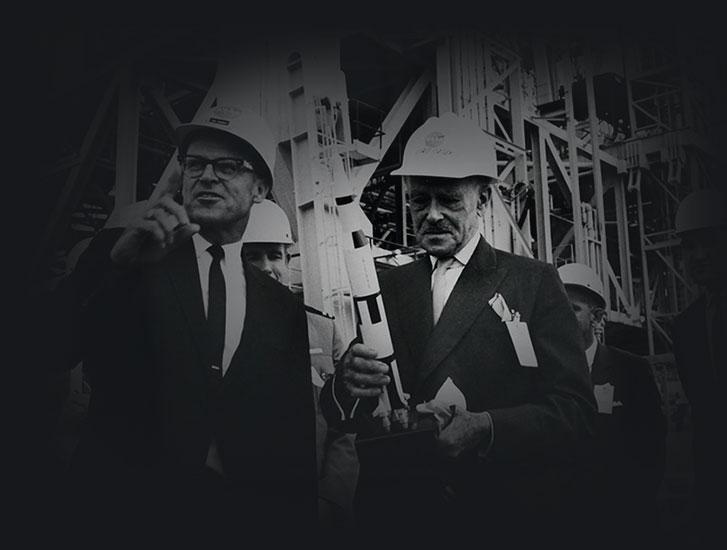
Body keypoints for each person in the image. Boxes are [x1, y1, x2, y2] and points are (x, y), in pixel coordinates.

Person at [45, 103, 317, 535]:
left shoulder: (280, 307)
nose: (207, 176)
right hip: (120, 516)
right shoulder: (127, 254)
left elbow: (291, 435)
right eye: (196, 164)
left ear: (260, 188)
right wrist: (116, 266)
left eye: (227, 166)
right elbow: (50, 350)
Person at [322, 113, 596, 536]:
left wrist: (487, 427)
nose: (431, 215)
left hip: (495, 516)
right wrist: (345, 383)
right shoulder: (387, 287)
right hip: (398, 517)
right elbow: (345, 412)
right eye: (419, 200)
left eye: (449, 200)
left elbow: (576, 412)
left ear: (483, 199)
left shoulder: (532, 281)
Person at [241, 199, 359, 527]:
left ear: (288, 259)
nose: (266, 267)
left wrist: (331, 497)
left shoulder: (324, 329)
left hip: (312, 503)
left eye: (275, 255)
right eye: (253, 256)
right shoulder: (218, 331)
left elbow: (343, 427)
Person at [558, 262, 667, 545]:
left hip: (622, 523)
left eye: (572, 309)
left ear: (597, 317)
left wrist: (630, 509)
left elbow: (651, 447)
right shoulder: (541, 374)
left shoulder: (630, 370)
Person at [672, 188, 727, 543]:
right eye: (689, 247)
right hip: (719, 480)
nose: (698, 256)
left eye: (708, 244)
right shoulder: (686, 327)